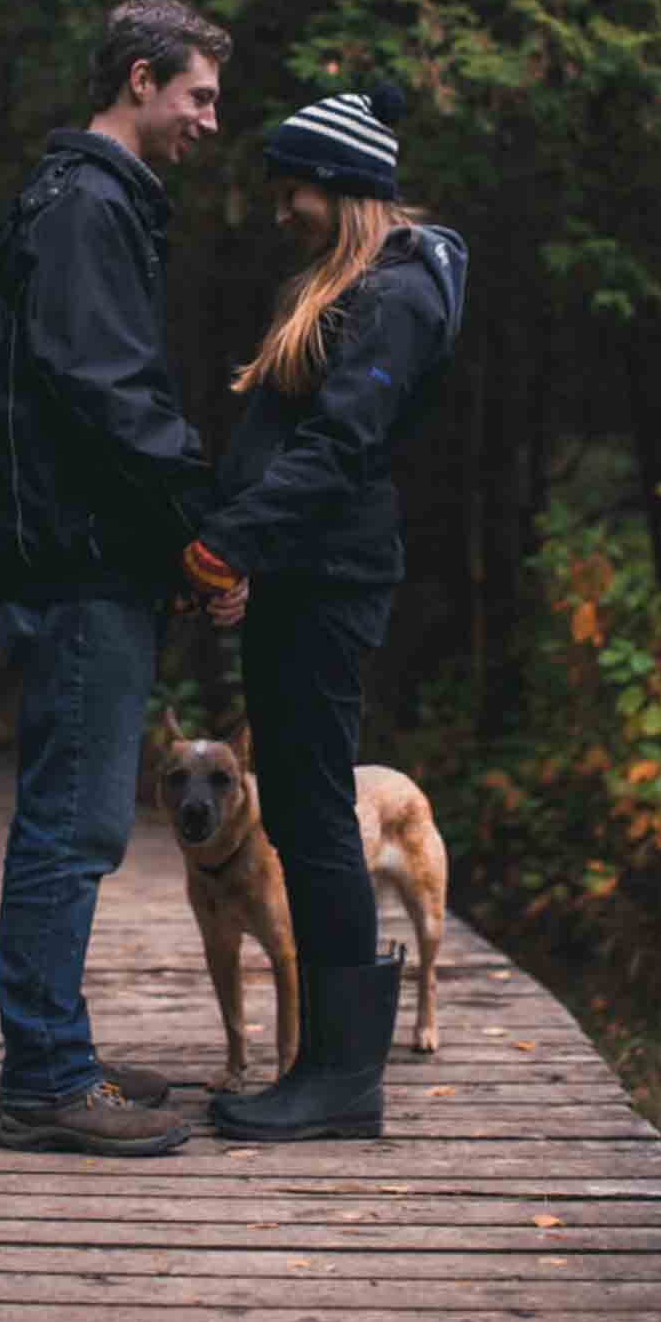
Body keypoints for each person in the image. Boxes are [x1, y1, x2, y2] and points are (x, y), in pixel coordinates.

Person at [180, 82, 467, 1143]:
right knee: (302, 810)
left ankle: (340, 1078)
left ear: (343, 184)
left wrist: (232, 538)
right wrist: (246, 545)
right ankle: (328, 1070)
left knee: (309, 818)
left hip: (328, 580)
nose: (279, 206)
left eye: (291, 185)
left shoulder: (397, 294)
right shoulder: (354, 285)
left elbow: (343, 442)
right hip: (297, 574)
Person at [0, 0, 238, 1156]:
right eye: (198, 95)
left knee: (71, 816)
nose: (209, 119)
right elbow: (108, 396)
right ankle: (44, 1077)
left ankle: (55, 1047)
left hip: (81, 555)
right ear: (140, 79)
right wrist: (198, 521)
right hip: (77, 566)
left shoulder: (78, 200)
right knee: (72, 824)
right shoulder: (85, 207)